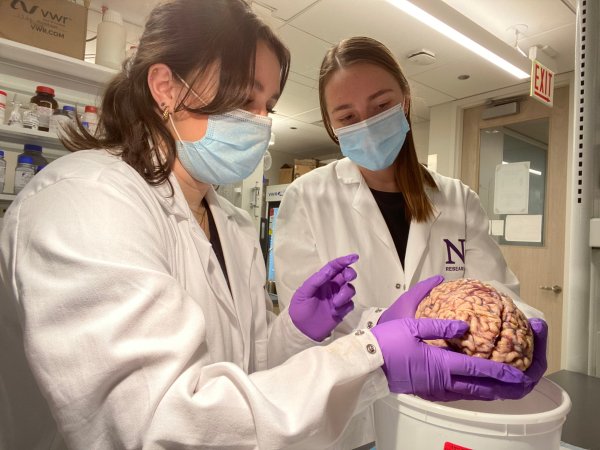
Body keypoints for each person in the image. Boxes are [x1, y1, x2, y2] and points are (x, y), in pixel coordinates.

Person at [0, 5, 545, 449]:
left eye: (267, 105)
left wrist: (295, 332)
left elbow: (248, 370)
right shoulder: (85, 202)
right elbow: (153, 426)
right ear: (164, 86)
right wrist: (374, 358)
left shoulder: (231, 225)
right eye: (244, 98)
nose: (259, 123)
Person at [274, 36, 548, 449]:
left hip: (442, 412)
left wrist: (523, 323)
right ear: (332, 127)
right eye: (347, 116)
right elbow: (303, 326)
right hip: (349, 418)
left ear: (405, 100)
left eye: (381, 105)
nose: (367, 124)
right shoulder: (307, 197)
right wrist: (383, 330)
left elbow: (494, 293)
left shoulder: (457, 199)